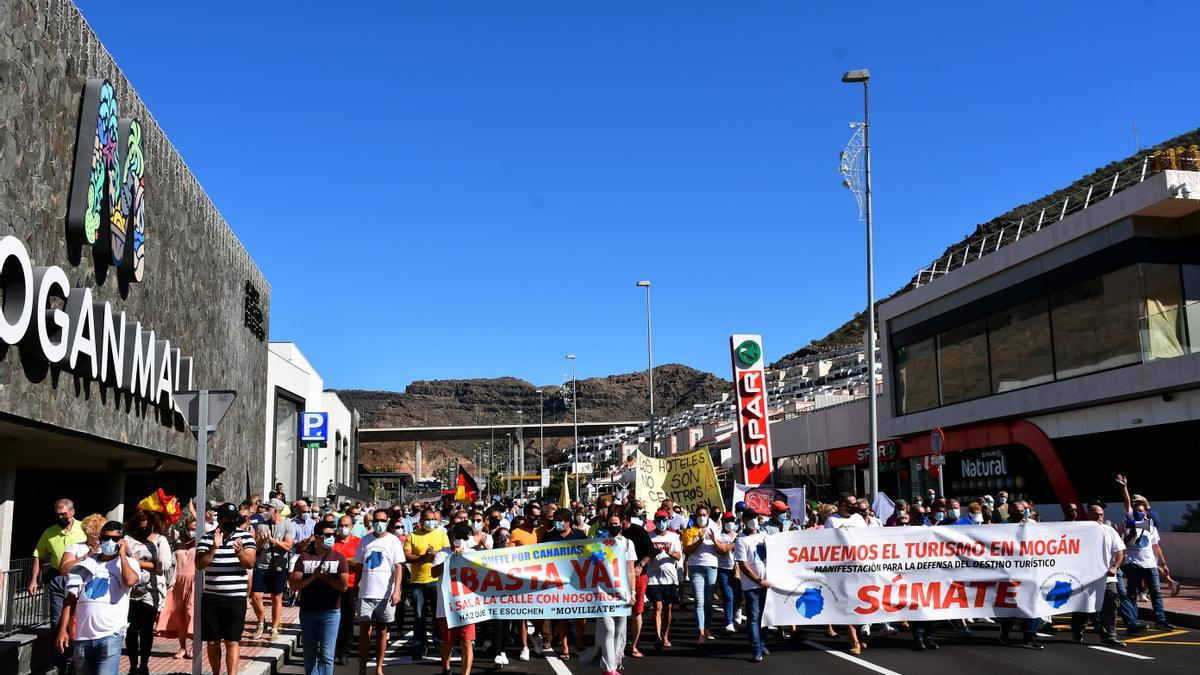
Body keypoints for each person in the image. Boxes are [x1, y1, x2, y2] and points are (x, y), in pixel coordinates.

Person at [56, 520, 147, 675]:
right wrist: (62, 630)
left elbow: (130, 581)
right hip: (82, 636)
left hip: (110, 635)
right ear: (100, 538)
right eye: (106, 538)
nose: (110, 542)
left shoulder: (130, 563)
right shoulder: (86, 563)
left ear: (122, 541)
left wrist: (123, 555)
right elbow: (71, 599)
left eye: (115, 539)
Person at [195, 502, 257, 675]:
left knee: (232, 641)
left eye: (233, 518)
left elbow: (250, 563)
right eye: (227, 519)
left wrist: (240, 553)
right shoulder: (207, 538)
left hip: (235, 598)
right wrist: (214, 547)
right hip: (212, 597)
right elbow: (199, 564)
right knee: (213, 641)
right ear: (220, 519)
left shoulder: (245, 537)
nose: (231, 521)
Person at [34, 497, 88, 672]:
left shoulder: (84, 528)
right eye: (57, 514)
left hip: (80, 577)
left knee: (76, 617)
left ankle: (75, 657)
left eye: (64, 514)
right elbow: (38, 555)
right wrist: (34, 579)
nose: (61, 517)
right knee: (57, 620)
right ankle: (59, 660)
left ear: (72, 512)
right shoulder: (49, 532)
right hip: (59, 578)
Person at [290, 520, 351, 675]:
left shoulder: (339, 558)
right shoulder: (304, 558)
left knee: (326, 655)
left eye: (333, 534)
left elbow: (343, 586)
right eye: (328, 535)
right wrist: (313, 577)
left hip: (330, 613)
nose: (332, 537)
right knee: (309, 655)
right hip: (308, 612)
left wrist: (326, 578)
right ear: (317, 537)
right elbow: (294, 585)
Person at [580, 512, 637, 675]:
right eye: (610, 524)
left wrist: (633, 592)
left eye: (616, 523)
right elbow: (586, 562)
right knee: (608, 630)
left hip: (621, 592)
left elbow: (631, 570)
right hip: (602, 592)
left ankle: (616, 662)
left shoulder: (627, 543)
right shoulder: (598, 544)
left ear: (622, 523)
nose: (613, 526)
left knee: (620, 631)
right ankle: (609, 668)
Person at [1116, 474, 1174, 629]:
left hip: (1150, 564)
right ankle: (1133, 622)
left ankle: (1161, 621)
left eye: (1141, 510)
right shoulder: (1130, 522)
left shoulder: (1150, 526)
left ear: (1146, 512)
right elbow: (1127, 503)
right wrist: (1124, 487)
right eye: (1136, 510)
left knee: (1156, 593)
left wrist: (1163, 563)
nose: (1139, 512)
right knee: (1132, 594)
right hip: (1133, 564)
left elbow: (1155, 546)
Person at [124, 510, 175, 675]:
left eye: (146, 527)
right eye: (140, 528)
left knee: (146, 629)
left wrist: (138, 563)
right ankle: (132, 665)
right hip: (129, 591)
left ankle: (144, 664)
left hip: (150, 591)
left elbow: (165, 564)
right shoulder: (128, 540)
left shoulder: (160, 540)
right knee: (130, 630)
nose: (143, 531)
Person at [1071, 501, 1127, 647]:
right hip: (1084, 578)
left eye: (1101, 515)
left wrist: (1114, 567)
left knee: (1111, 606)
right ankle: (1077, 630)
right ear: (1089, 515)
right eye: (1095, 515)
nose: (1099, 518)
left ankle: (1110, 635)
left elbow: (1120, 552)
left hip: (1107, 577)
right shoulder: (1079, 531)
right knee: (1083, 607)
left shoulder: (1110, 531)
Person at [356, 509, 405, 675]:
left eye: (382, 520)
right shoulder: (364, 540)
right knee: (364, 632)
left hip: (386, 595)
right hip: (365, 594)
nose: (379, 523)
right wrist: (354, 589)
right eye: (376, 520)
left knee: (382, 632)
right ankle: (362, 669)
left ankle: (378, 668)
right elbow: (358, 566)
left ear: (388, 521)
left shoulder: (394, 541)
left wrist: (397, 590)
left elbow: (399, 567)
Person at [406, 508, 450, 660]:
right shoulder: (412, 536)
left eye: (433, 519)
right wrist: (423, 557)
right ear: (421, 521)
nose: (430, 522)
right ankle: (419, 645)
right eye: (427, 519)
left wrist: (434, 555)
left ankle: (438, 642)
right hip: (417, 581)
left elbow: (447, 554)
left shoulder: (442, 535)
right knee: (419, 616)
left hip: (436, 582)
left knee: (438, 615)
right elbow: (407, 556)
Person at [432, 523, 475, 675]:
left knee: (467, 642)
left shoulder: (472, 553)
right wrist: (451, 558)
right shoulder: (442, 554)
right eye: (458, 537)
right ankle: (446, 668)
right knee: (448, 642)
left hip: (468, 606)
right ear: (451, 537)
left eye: (464, 537)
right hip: (446, 607)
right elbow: (434, 573)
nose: (460, 540)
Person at [681, 504, 728, 644]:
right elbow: (687, 550)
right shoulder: (690, 529)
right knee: (699, 600)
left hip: (712, 566)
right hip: (696, 567)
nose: (701, 517)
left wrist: (713, 539)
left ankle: (707, 628)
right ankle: (700, 632)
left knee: (708, 601)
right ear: (695, 516)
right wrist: (700, 540)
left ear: (708, 516)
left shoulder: (714, 527)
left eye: (704, 515)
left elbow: (722, 549)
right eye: (699, 515)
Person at [251, 498, 296, 641]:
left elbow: (288, 546)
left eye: (268, 509)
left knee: (276, 597)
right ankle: (261, 623)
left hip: (278, 566)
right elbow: (258, 547)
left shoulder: (288, 525)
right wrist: (262, 539)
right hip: (262, 565)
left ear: (276, 511)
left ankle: (274, 628)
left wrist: (272, 540)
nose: (265, 511)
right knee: (256, 596)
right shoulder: (263, 525)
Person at [157, 518, 198, 660]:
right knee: (179, 615)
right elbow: (168, 531)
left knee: (191, 613)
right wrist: (170, 516)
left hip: (194, 581)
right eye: (190, 528)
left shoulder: (202, 540)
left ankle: (194, 645)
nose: (192, 532)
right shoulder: (178, 539)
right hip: (177, 581)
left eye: (195, 529)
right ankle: (182, 647)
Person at [734, 509, 769, 663]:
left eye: (755, 517)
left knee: (764, 616)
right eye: (749, 518)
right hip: (752, 585)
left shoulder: (765, 536)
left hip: (767, 583)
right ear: (744, 520)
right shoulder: (741, 540)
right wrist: (758, 580)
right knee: (753, 617)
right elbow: (743, 564)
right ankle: (756, 649)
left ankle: (762, 643)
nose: (753, 520)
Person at [620, 504, 654, 659]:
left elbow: (650, 551)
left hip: (638, 576)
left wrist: (640, 565)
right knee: (619, 611)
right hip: (618, 577)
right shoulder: (612, 534)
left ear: (625, 519)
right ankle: (619, 643)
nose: (614, 524)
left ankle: (634, 645)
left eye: (618, 521)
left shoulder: (638, 531)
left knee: (636, 611)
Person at [646, 510, 681, 650]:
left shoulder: (674, 537)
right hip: (654, 578)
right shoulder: (649, 537)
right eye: (659, 519)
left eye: (664, 519)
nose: (661, 522)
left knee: (668, 608)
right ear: (655, 521)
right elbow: (644, 554)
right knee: (658, 607)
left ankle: (665, 635)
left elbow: (678, 556)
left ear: (668, 520)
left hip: (670, 579)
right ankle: (658, 637)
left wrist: (669, 552)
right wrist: (653, 553)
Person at [332, 514, 361, 666]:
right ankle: (333, 650)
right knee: (332, 619)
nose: (344, 528)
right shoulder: (331, 542)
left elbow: (359, 562)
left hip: (351, 586)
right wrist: (347, 561)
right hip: (332, 585)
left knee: (347, 620)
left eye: (347, 525)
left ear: (351, 527)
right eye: (341, 525)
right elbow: (326, 559)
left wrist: (339, 560)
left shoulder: (358, 542)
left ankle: (344, 652)